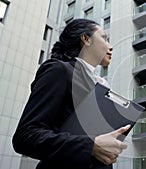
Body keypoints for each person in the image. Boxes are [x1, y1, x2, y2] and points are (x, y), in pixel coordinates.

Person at [12, 19, 130, 169]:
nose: (110, 47)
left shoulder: (99, 84)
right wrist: (91, 145)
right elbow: (26, 136)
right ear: (85, 39)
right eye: (105, 38)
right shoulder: (59, 70)